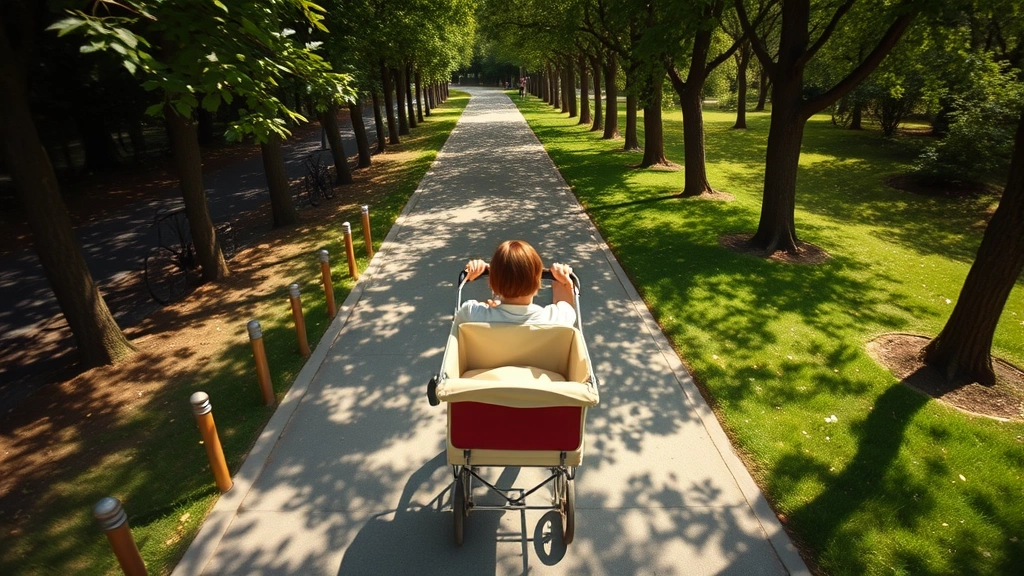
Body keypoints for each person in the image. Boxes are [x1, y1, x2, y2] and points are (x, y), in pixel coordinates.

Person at [456, 239, 575, 327]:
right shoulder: (558, 318)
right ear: (537, 282)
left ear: (492, 283)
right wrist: (563, 281)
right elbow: (567, 306)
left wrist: (470, 276)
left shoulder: (471, 314)